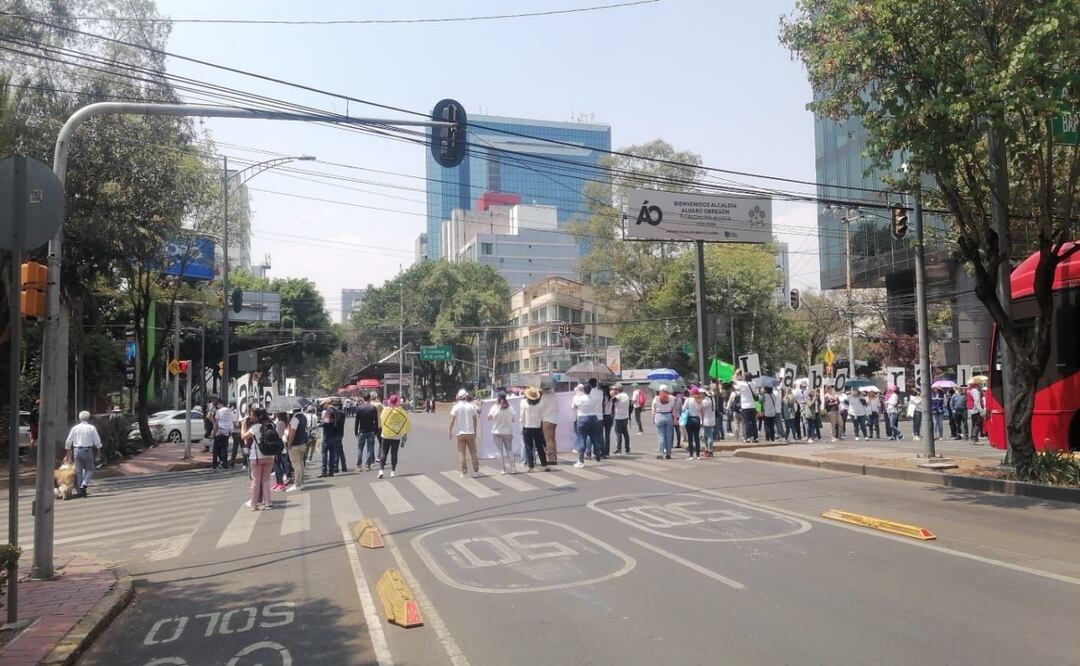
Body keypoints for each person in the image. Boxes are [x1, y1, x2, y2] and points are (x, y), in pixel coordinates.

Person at [63, 411, 102, 498]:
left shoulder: (75, 428)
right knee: (90, 469)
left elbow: (69, 441)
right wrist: (99, 451)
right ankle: (84, 485)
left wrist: (68, 452)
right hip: (87, 450)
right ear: (88, 418)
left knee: (79, 471)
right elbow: (97, 440)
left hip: (76, 450)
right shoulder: (91, 428)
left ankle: (80, 491)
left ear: (80, 418)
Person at [246, 408, 278, 510]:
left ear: (257, 416)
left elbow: (244, 437)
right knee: (266, 480)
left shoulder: (256, 427)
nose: (250, 417)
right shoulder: (271, 425)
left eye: (252, 415)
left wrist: (243, 425)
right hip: (270, 456)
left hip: (257, 457)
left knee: (256, 481)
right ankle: (268, 503)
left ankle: (254, 504)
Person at [449, 388, 480, 478]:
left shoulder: (456, 406)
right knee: (473, 452)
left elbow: (452, 420)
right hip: (470, 432)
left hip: (460, 433)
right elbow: (475, 420)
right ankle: (476, 471)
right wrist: (475, 431)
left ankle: (464, 472)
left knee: (462, 453)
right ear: (466, 396)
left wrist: (450, 431)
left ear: (459, 397)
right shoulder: (471, 406)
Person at [572, 381, 604, 468]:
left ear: (583, 390)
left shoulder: (580, 398)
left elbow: (573, 407)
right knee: (595, 439)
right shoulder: (593, 398)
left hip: (582, 419)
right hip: (594, 418)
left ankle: (581, 461)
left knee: (582, 439)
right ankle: (598, 459)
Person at [378, 394, 410, 479]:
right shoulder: (401, 410)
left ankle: (381, 470)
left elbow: (382, 419)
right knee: (394, 453)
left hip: (386, 434)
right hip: (396, 435)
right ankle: (392, 472)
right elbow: (405, 420)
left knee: (384, 452)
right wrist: (404, 432)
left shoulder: (386, 410)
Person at [521, 387, 551, 472]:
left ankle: (531, 466)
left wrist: (522, 423)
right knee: (539, 446)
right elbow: (542, 416)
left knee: (529, 447)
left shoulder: (524, 404)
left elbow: (521, 416)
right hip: (537, 427)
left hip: (527, 427)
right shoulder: (540, 404)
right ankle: (544, 465)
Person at [488, 392, 517, 474]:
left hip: (496, 431)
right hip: (508, 431)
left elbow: (489, 417)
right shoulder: (510, 407)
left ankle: (503, 469)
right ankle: (513, 469)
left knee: (499, 451)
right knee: (509, 450)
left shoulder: (494, 407)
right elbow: (513, 419)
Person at [319, 399, 346, 478]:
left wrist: (321, 424)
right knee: (332, 454)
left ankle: (324, 471)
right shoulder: (337, 411)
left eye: (323, 405)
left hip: (327, 435)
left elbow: (327, 421)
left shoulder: (328, 411)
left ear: (327, 403)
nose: (323, 406)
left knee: (324, 453)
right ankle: (331, 471)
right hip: (336, 434)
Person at [354, 393, 379, 471]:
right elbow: (376, 421)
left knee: (360, 448)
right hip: (371, 430)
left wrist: (355, 431)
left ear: (363, 399)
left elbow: (357, 421)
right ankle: (367, 465)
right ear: (369, 399)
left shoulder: (359, 408)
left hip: (362, 430)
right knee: (370, 448)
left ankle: (359, 465)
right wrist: (376, 431)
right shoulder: (373, 408)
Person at [285, 407, 308, 492]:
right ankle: (301, 481)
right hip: (302, 443)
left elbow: (292, 433)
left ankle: (297, 483)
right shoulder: (304, 417)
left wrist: (289, 444)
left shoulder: (295, 419)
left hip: (295, 444)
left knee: (296, 464)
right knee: (301, 463)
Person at [733, 372, 759, 443]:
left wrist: (736, 373)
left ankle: (747, 437)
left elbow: (734, 381)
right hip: (753, 406)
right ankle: (755, 437)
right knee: (754, 422)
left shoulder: (742, 384)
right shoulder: (753, 384)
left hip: (745, 406)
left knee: (747, 422)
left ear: (745, 378)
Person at [652, 385, 675, 459]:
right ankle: (668, 453)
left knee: (661, 435)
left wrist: (653, 418)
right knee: (669, 435)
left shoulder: (656, 398)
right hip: (668, 415)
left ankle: (661, 453)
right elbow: (672, 407)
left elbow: (653, 409)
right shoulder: (671, 398)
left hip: (659, 415)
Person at [682, 386, 706, 459]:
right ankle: (698, 455)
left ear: (691, 392)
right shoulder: (700, 400)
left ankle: (691, 455)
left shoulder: (688, 400)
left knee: (690, 438)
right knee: (696, 438)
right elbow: (702, 412)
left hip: (690, 419)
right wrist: (702, 420)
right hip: (697, 419)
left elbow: (683, 409)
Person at [210, 398, 234, 470]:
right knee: (224, 449)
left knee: (215, 449)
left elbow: (216, 424)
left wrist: (213, 434)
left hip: (219, 432)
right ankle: (225, 464)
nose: (217, 406)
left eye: (217, 404)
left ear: (221, 404)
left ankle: (214, 465)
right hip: (226, 432)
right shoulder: (229, 411)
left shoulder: (219, 411)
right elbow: (231, 421)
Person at [271, 411, 292, 491]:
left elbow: (278, 434)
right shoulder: (285, 422)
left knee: (277, 464)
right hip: (283, 443)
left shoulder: (280, 423)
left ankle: (280, 483)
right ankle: (282, 480)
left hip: (279, 443)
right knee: (282, 462)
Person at [540, 384, 560, 465]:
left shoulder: (544, 396)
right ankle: (555, 457)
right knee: (553, 439)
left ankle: (551, 459)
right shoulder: (554, 396)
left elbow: (540, 408)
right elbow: (558, 407)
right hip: (554, 419)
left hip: (546, 419)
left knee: (548, 440)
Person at [612, 384, 631, 454]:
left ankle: (618, 449)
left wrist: (612, 396)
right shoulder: (626, 395)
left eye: (614, 390)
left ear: (617, 390)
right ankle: (627, 448)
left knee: (618, 433)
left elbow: (613, 400)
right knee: (625, 433)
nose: (614, 391)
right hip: (625, 417)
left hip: (618, 417)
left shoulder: (618, 396)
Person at [700, 388, 716, 455]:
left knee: (709, 436)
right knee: (706, 436)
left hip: (706, 420)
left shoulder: (705, 401)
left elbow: (700, 408)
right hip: (710, 419)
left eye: (701, 394)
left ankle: (710, 450)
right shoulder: (712, 399)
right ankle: (707, 450)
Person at [601, 384, 615, 457]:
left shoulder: (602, 399)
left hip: (603, 417)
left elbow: (601, 408)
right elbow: (613, 409)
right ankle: (607, 451)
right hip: (609, 417)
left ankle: (602, 451)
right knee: (607, 436)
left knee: (601, 435)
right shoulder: (611, 398)